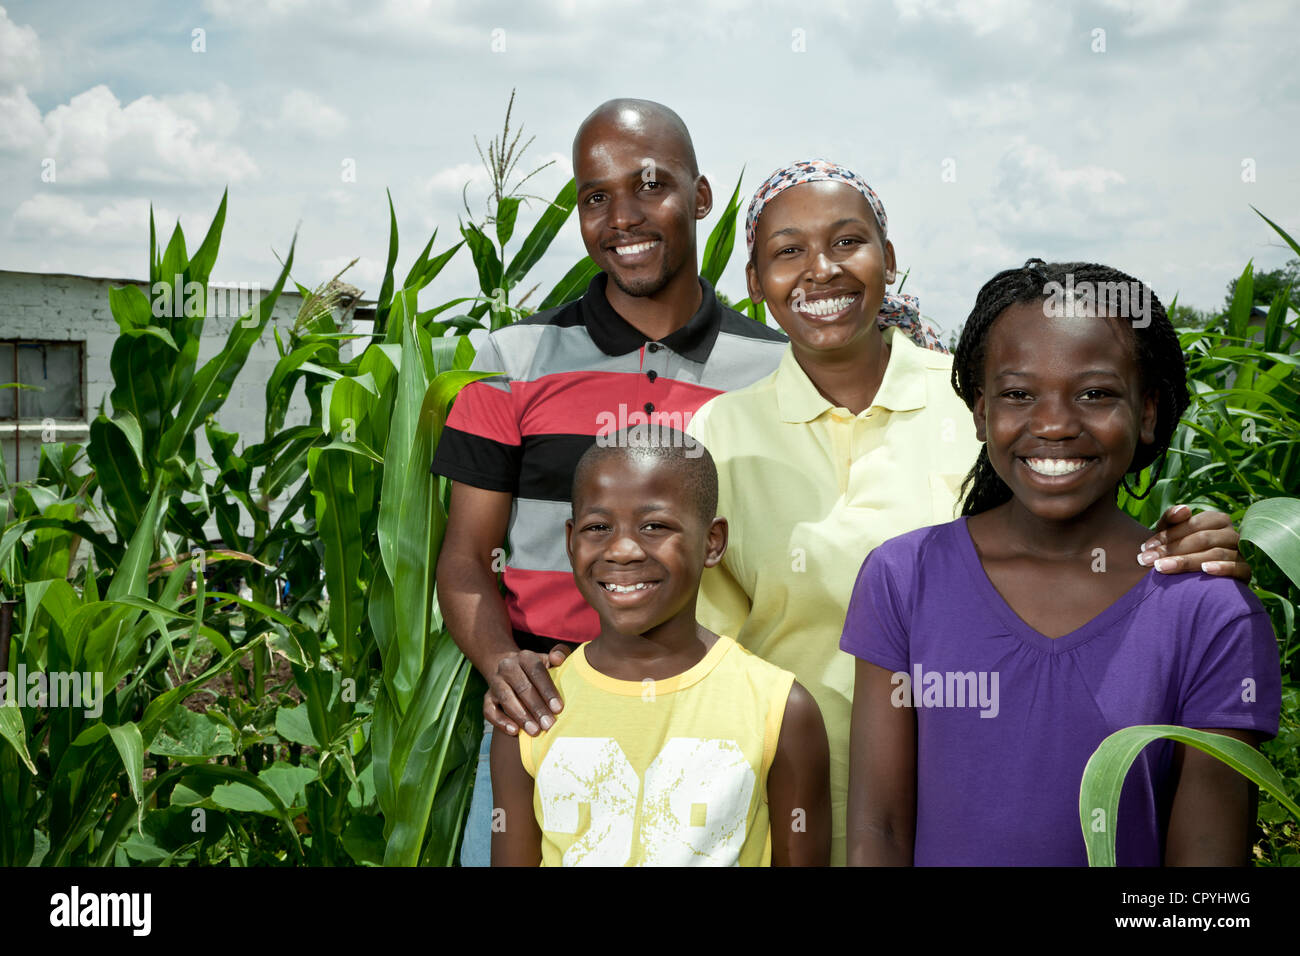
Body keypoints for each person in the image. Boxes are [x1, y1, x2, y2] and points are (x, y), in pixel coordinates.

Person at [684, 161, 1254, 864]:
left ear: (889, 259)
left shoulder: (973, 397)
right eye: (788, 250)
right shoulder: (716, 439)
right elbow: (690, 643)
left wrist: (1197, 549)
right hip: (782, 812)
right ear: (753, 278)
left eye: (846, 242)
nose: (821, 270)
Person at [432, 108, 933, 865]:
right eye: (595, 197)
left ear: (700, 198)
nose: (622, 217)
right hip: (544, 719)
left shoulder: (780, 368)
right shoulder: (508, 359)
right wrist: (508, 667)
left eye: (651, 186)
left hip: (708, 721)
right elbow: (466, 558)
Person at [841, 260, 1281, 865]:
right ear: (979, 412)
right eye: (1018, 394)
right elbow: (879, 830)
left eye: (1096, 393)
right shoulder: (902, 579)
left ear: (1147, 411)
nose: (1053, 424)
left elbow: (1205, 866)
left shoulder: (1211, 611)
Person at [490, 431, 831, 866]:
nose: (624, 550)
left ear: (713, 542)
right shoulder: (531, 710)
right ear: (571, 540)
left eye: (654, 526)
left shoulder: (780, 709)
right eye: (598, 527)